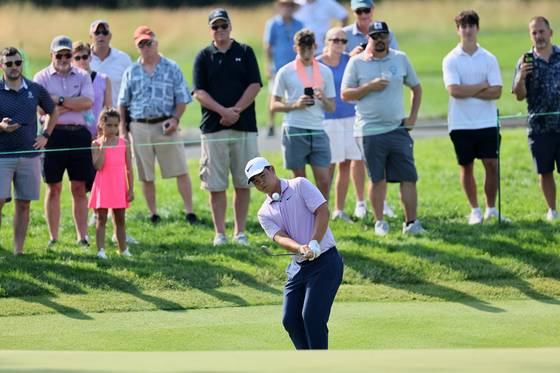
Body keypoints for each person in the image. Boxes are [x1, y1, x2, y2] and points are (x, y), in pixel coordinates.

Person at [248, 156, 343, 350]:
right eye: (255, 181)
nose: (261, 183)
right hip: (298, 267)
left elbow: (322, 211)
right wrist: (300, 248)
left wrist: (314, 241)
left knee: (312, 318)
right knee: (290, 320)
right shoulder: (263, 212)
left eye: (262, 176)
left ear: (272, 169)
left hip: (326, 262)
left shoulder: (299, 185)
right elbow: (279, 237)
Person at [341, 21, 425, 236]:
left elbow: (416, 87)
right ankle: (380, 222)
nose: (379, 40)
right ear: (368, 38)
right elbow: (346, 94)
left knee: (409, 177)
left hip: (397, 129)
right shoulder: (356, 63)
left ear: (388, 37)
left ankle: (411, 223)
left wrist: (412, 117)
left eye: (383, 36)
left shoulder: (400, 58)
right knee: (377, 178)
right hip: (369, 131)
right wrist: (369, 87)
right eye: (375, 36)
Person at [192, 9, 262, 246]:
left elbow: (255, 84)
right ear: (210, 29)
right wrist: (224, 112)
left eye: (223, 26)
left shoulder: (245, 51)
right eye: (215, 27)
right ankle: (220, 233)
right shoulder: (203, 56)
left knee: (244, 182)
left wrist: (236, 111)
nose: (220, 30)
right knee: (216, 185)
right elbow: (198, 92)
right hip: (214, 128)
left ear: (230, 26)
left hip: (244, 127)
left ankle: (239, 232)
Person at [118, 25, 198, 225]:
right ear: (137, 46)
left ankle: (189, 211)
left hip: (166, 124)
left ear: (156, 42)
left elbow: (182, 98)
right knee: (146, 174)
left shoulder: (171, 67)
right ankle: (153, 213)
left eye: (149, 42)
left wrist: (175, 119)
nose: (146, 47)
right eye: (141, 44)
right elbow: (122, 103)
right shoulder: (131, 71)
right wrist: (123, 130)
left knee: (180, 169)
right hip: (139, 126)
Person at [443, 10, 506, 225]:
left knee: (491, 164)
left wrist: (467, 90)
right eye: (463, 26)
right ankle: (475, 210)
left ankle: (491, 208)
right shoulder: (450, 59)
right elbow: (454, 91)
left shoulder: (489, 58)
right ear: (458, 30)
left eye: (471, 26)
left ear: (477, 28)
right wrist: (481, 86)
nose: (467, 30)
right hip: (461, 123)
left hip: (487, 122)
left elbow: (496, 91)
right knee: (467, 166)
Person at [34, 35, 95, 247]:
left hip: (79, 133)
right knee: (54, 187)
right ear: (52, 54)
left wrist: (58, 101)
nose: (63, 58)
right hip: (53, 135)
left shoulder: (82, 75)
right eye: (59, 54)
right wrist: (72, 104)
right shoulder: (41, 77)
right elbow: (41, 108)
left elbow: (87, 102)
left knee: (79, 187)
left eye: (67, 54)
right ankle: (53, 237)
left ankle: (83, 237)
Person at [0, 47, 58, 256]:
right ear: (2, 66)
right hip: (2, 156)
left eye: (17, 62)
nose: (14, 67)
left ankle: (18, 250)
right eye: (9, 64)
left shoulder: (35, 89)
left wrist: (46, 136)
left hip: (29, 156)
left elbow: (53, 111)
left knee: (23, 203)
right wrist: (1, 127)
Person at [343, 0, 397, 220]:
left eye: (367, 10)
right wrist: (352, 57)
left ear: (372, 10)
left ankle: (381, 202)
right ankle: (360, 202)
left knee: (381, 160)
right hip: (353, 105)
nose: (363, 14)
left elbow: (394, 61)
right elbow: (339, 67)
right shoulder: (344, 34)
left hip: (380, 102)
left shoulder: (385, 32)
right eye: (359, 11)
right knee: (357, 158)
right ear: (353, 12)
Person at [271, 29, 336, 199]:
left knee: (324, 179)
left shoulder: (325, 72)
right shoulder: (285, 71)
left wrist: (323, 98)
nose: (306, 53)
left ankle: (321, 214)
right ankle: (304, 216)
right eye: (302, 49)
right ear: (295, 48)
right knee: (300, 181)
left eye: (310, 48)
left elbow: (331, 108)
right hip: (294, 129)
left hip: (317, 129)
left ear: (315, 47)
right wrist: (295, 105)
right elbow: (273, 105)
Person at [513, 16, 560, 222]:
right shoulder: (525, 61)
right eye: (534, 33)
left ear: (550, 32)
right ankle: (552, 210)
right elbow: (519, 94)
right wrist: (521, 76)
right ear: (530, 36)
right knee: (545, 170)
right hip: (539, 127)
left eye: (542, 31)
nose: (539, 36)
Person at [318, 27, 365, 222]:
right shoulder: (318, 63)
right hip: (327, 120)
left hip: (349, 117)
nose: (339, 44)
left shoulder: (349, 60)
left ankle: (339, 209)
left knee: (345, 165)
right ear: (326, 41)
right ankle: (322, 209)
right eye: (335, 40)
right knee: (328, 166)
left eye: (343, 41)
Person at [89, 107, 134, 259]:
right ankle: (101, 250)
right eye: (109, 125)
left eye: (116, 125)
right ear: (101, 125)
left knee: (120, 219)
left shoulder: (124, 143)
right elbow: (98, 166)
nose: (113, 129)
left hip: (119, 187)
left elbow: (129, 169)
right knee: (101, 219)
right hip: (103, 186)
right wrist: (104, 147)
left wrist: (131, 189)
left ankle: (123, 249)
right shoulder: (96, 144)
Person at [263, 0, 303, 137]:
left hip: (295, 67)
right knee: (274, 95)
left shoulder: (299, 24)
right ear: (280, 7)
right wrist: (268, 65)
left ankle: (294, 123)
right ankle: (271, 124)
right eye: (285, 5)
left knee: (295, 95)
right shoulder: (273, 24)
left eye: (290, 5)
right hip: (278, 67)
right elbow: (268, 46)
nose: (287, 8)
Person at [72, 41, 111, 138]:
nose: (81, 60)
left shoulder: (104, 79)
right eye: (77, 58)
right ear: (72, 61)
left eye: (84, 57)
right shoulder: (69, 81)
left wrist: (103, 132)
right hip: (76, 132)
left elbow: (108, 109)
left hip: (98, 134)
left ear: (90, 57)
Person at [90, 20, 132, 108]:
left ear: (110, 36)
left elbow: (131, 90)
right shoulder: (82, 58)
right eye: (97, 33)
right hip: (89, 117)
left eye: (105, 32)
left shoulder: (123, 59)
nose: (101, 35)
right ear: (91, 37)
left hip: (116, 116)